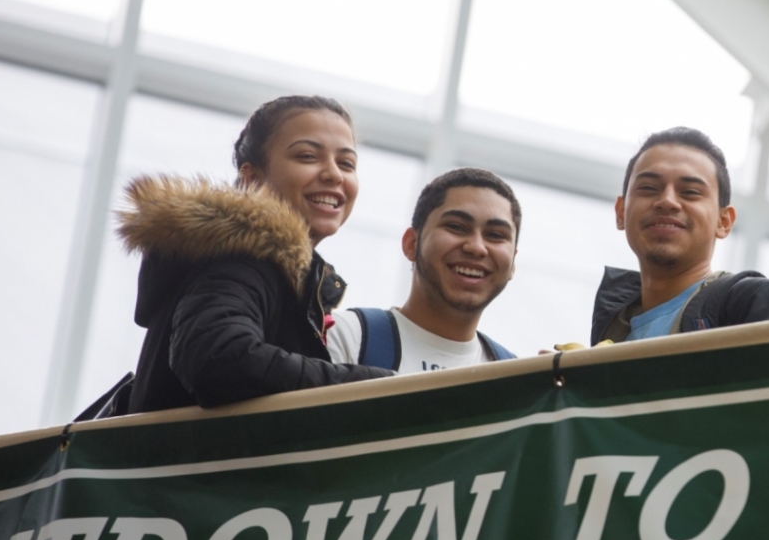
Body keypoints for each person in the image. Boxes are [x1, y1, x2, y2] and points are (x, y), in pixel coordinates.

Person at [115, 95, 392, 415]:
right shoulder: (241, 257)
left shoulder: (260, 263)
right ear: (252, 178)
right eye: (307, 156)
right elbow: (218, 357)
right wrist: (373, 386)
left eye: (346, 163)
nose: (334, 174)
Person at [591, 127, 769, 345]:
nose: (667, 201)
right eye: (649, 188)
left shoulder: (753, 303)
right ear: (621, 212)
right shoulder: (615, 328)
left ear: (723, 222)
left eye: (690, 192)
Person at [327, 168, 518, 373]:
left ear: (513, 264)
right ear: (411, 244)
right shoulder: (347, 336)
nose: (477, 247)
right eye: (456, 227)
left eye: (496, 235)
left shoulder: (518, 377)